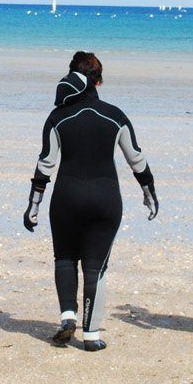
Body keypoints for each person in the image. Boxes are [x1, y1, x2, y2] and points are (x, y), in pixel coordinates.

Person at [22, 52, 158, 352]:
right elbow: (136, 158)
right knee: (95, 267)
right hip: (105, 199)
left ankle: (67, 317)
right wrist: (149, 191)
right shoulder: (115, 115)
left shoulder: (57, 117)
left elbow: (45, 164)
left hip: (66, 198)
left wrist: (33, 205)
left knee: (65, 258)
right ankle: (92, 334)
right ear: (98, 81)